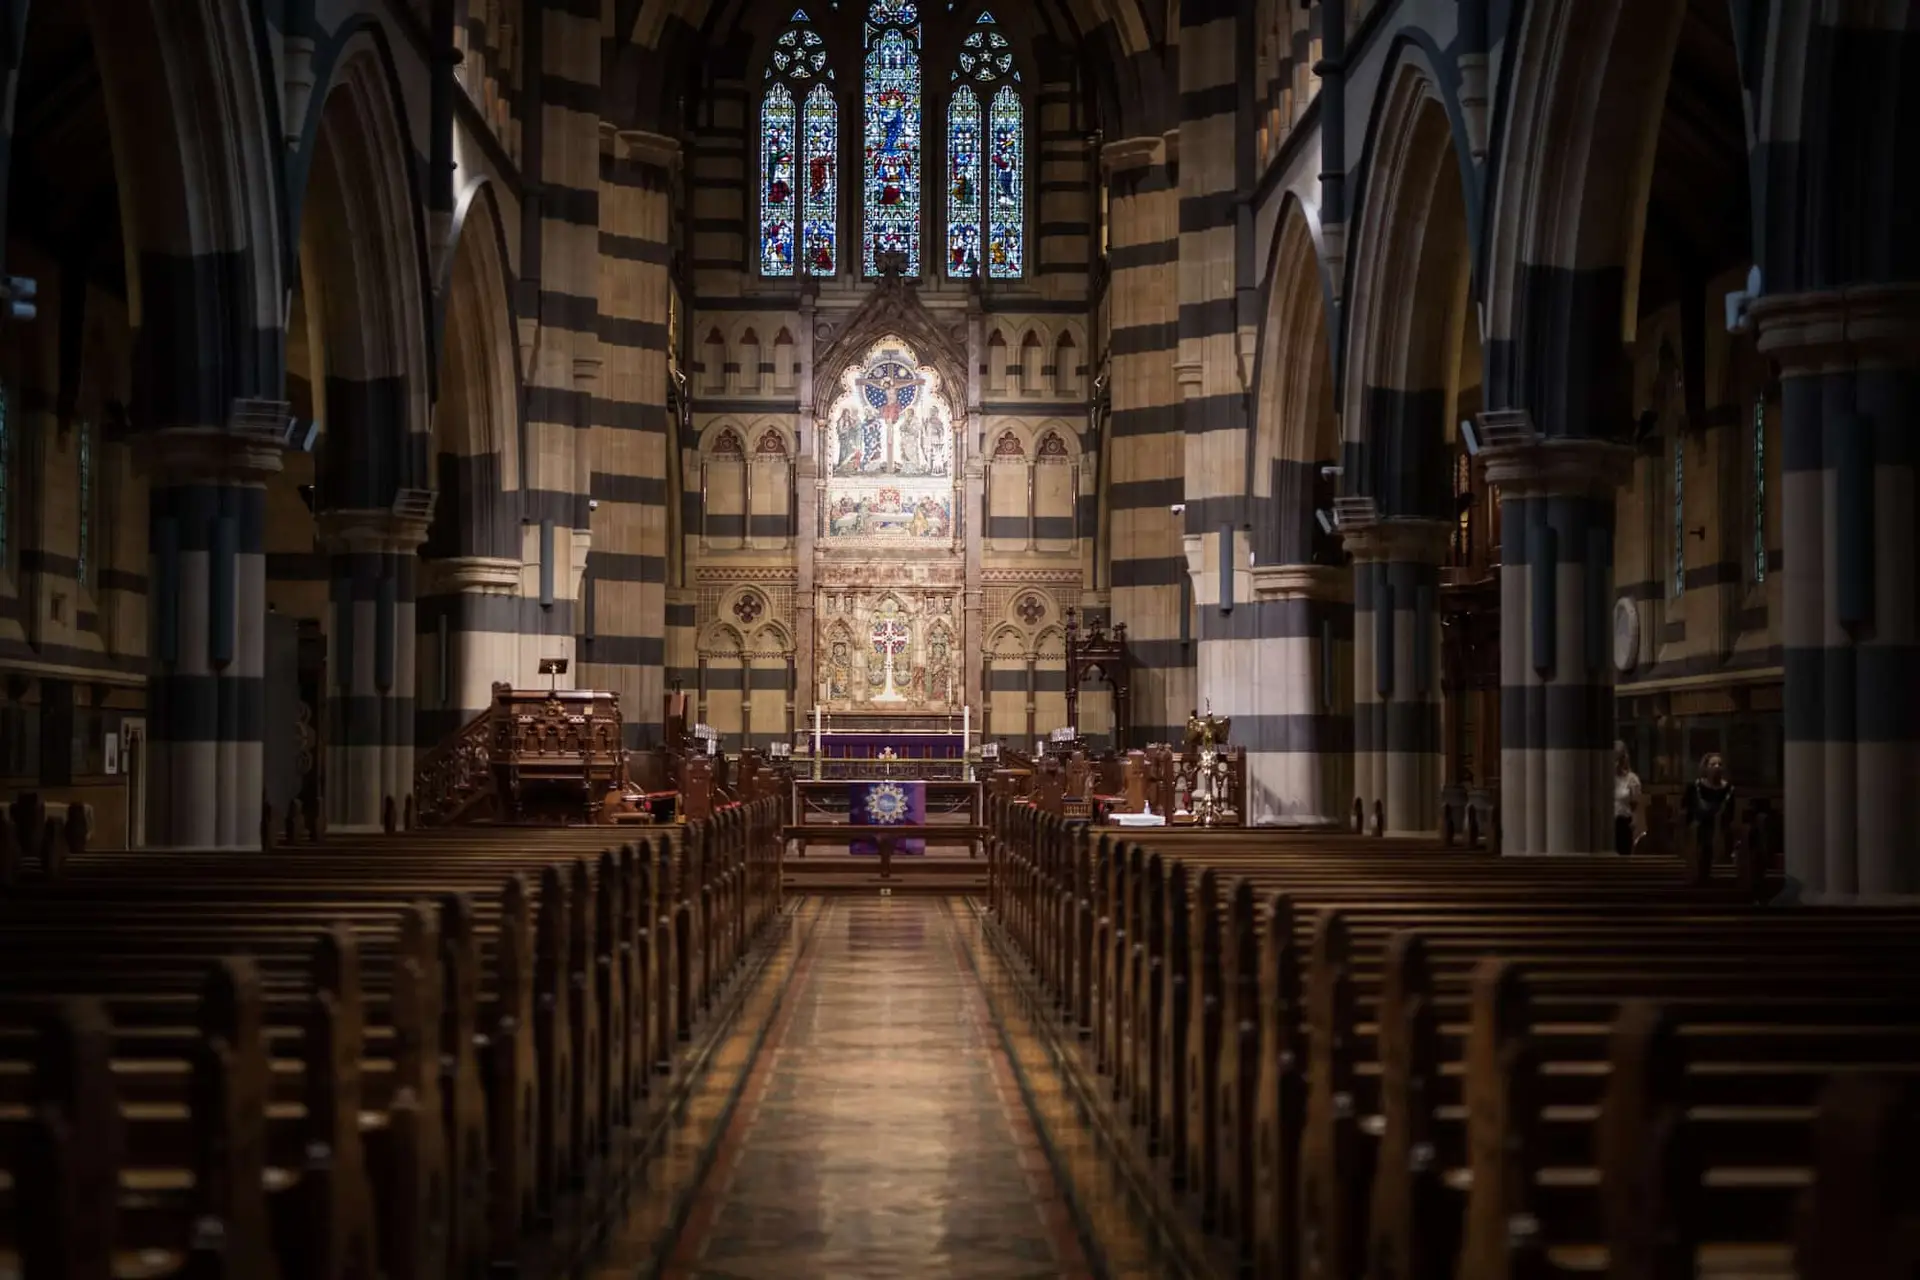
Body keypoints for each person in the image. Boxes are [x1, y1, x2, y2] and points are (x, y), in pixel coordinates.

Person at [1683, 751, 1735, 861]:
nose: (1717, 767)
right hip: (1698, 832)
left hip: (1720, 832)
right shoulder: (1694, 787)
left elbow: (1730, 815)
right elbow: (1686, 810)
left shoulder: (1729, 789)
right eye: (1713, 764)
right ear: (1705, 768)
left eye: (1720, 764)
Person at [1613, 742, 1642, 856]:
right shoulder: (1607, 778)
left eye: (1620, 757)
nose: (1618, 762)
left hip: (1624, 822)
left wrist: (1635, 822)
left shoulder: (1632, 779)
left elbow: (1635, 805)